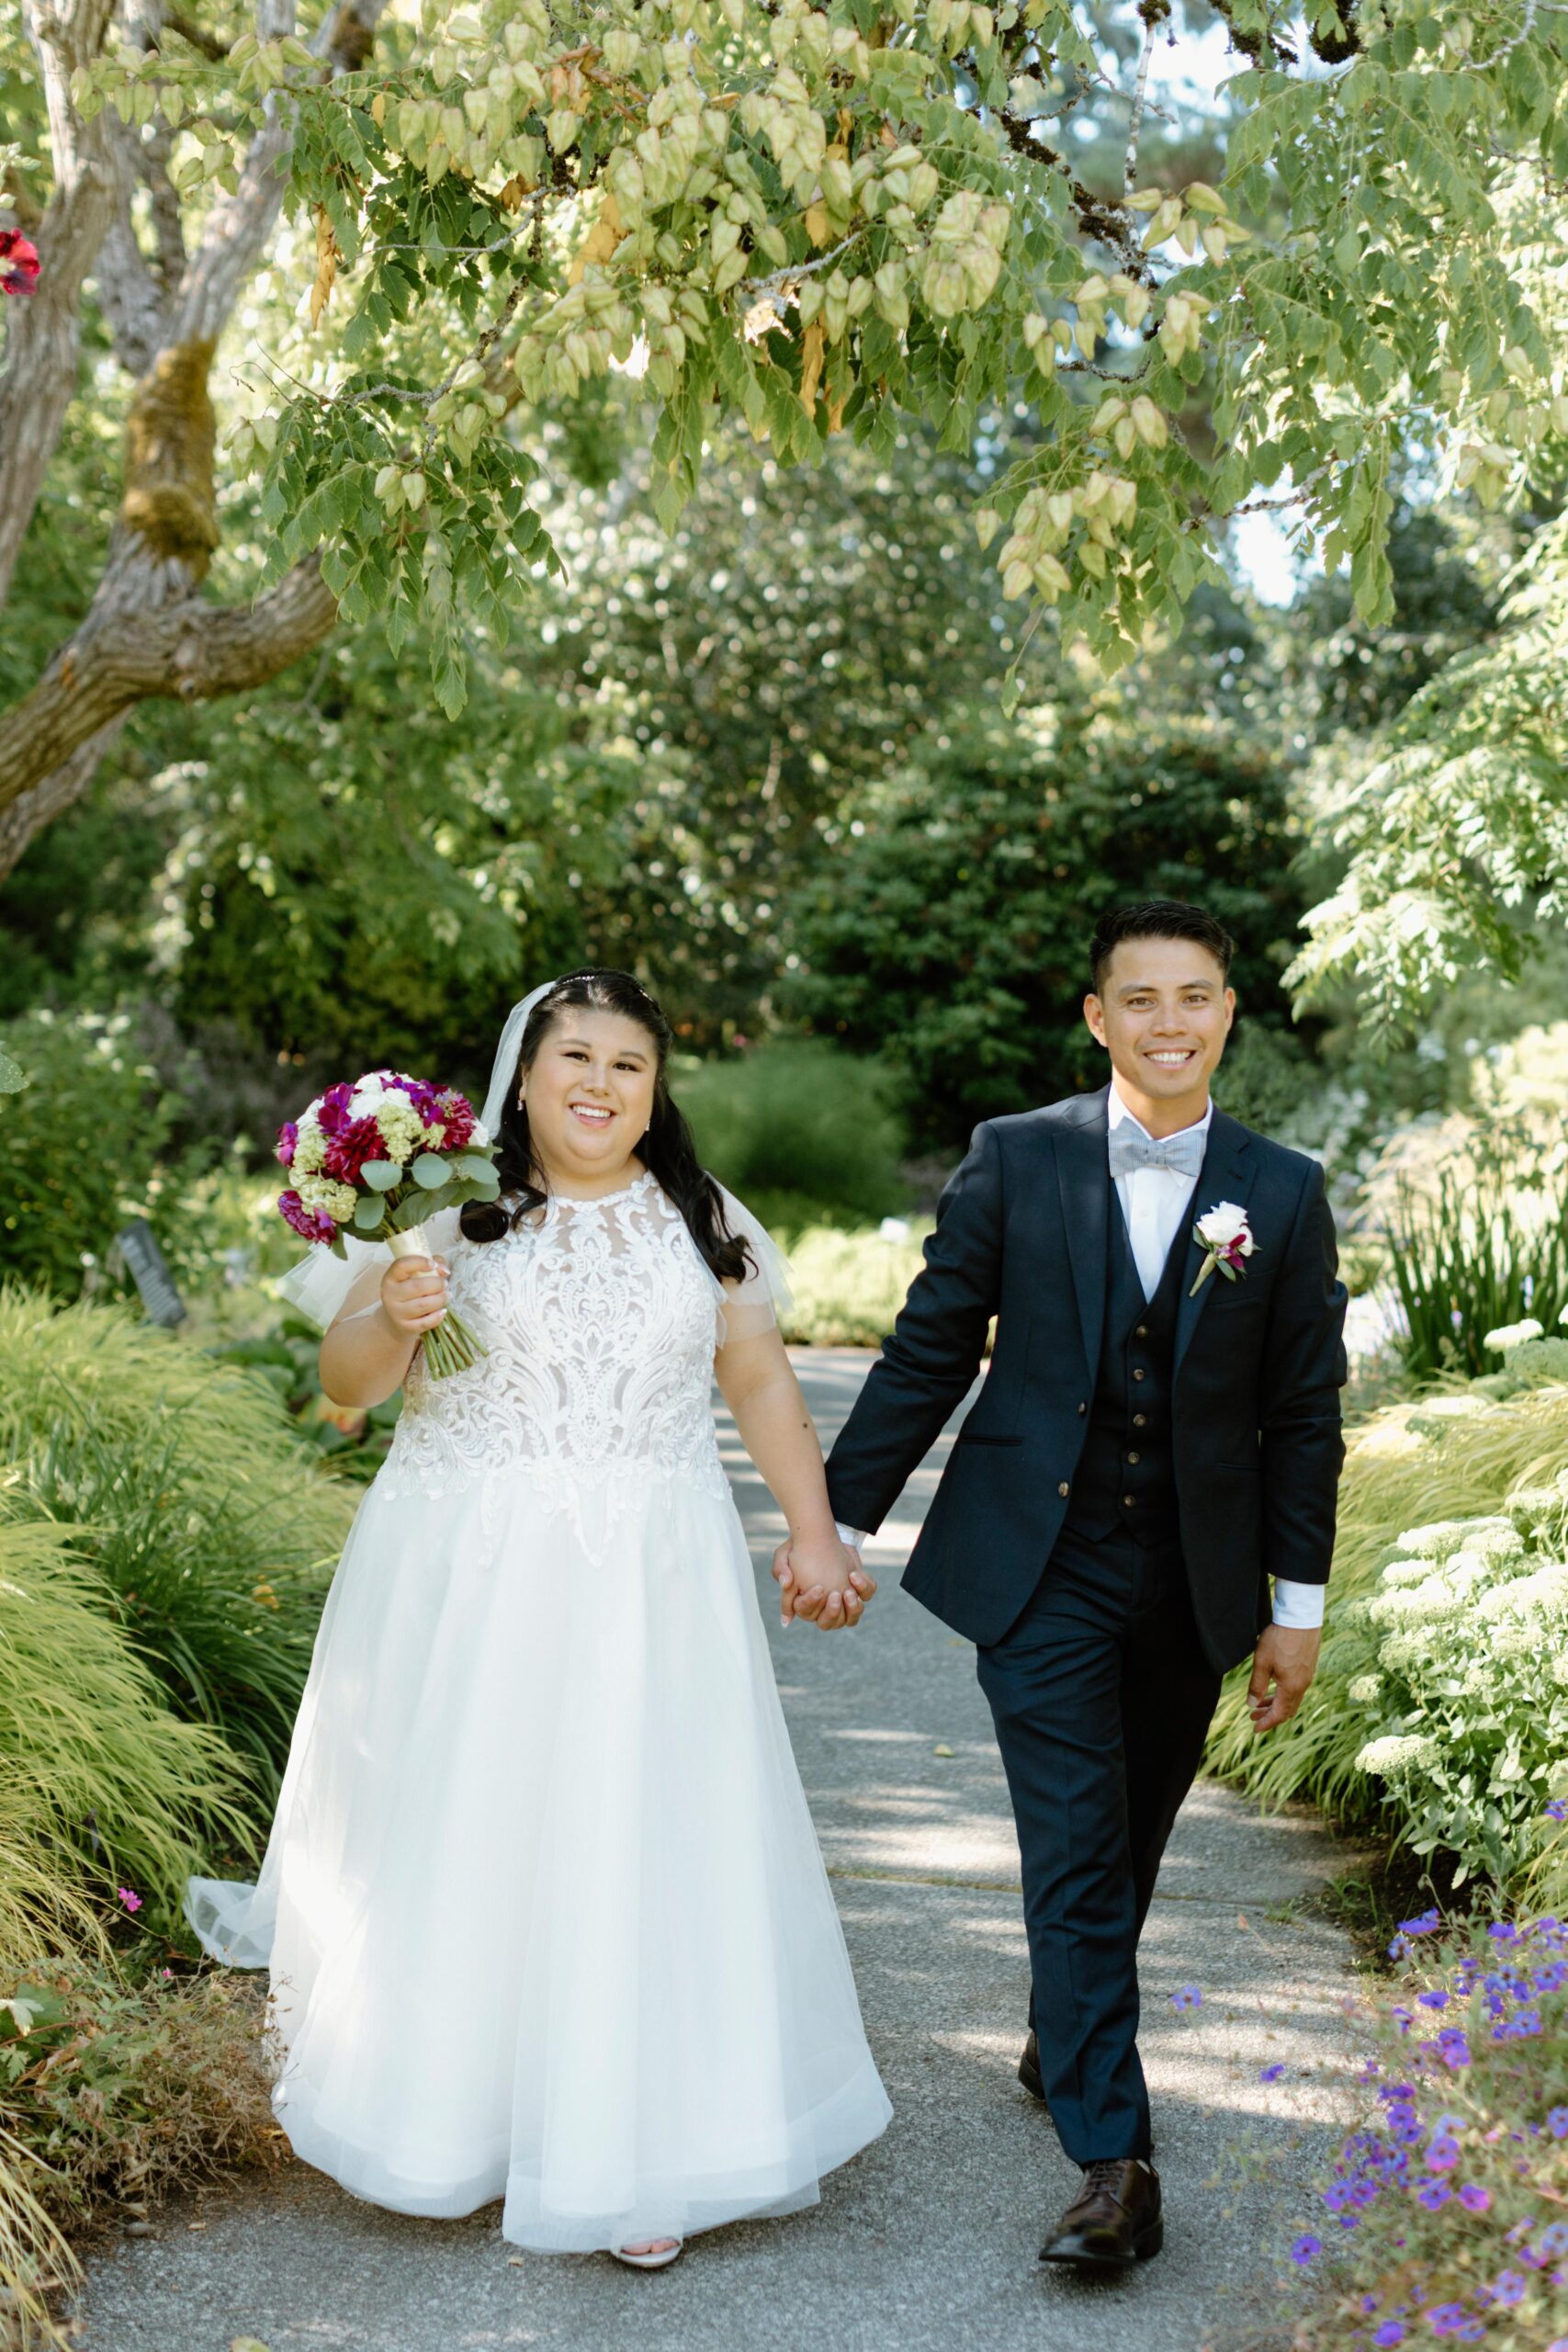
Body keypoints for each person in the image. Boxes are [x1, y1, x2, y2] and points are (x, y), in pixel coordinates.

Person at [187, 968, 889, 2269]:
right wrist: (390, 1321)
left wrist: (811, 1529)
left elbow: (760, 1383)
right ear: (525, 1073)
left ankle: (632, 2151)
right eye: (577, 1057)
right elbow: (343, 1388)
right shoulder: (442, 1215)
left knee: (640, 1827)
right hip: (470, 1567)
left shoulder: (704, 1220)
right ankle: (451, 2120)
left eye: (630, 1065)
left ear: (656, 1089)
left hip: (651, 1575)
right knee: (476, 1823)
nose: (601, 1085)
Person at [775, 900, 1348, 2271]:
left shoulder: (1282, 1191)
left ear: (1226, 1015)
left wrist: (1295, 1610)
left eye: (1194, 997)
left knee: (1132, 1837)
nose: (1168, 1022)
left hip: (1197, 1579)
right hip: (1037, 1569)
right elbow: (927, 1349)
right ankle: (1115, 2161)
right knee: (1079, 1848)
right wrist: (833, 1521)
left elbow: (1305, 1414)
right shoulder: (1016, 1159)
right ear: (1099, 1019)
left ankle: (1061, 2030)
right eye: (1138, 999)